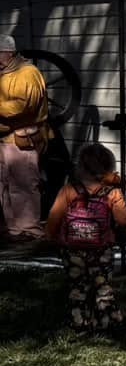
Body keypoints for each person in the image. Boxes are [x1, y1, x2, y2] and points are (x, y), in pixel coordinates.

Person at [47, 141, 126, 336]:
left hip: (72, 249)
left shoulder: (68, 190)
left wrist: (51, 238)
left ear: (80, 167)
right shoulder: (112, 192)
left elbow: (54, 217)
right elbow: (122, 219)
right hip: (102, 249)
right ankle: (107, 323)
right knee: (103, 285)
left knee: (78, 286)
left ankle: (80, 323)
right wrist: (124, 232)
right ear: (108, 168)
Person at [0, 35, 49, 242]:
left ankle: (29, 230)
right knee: (3, 184)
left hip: (22, 138)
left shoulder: (28, 73)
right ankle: (11, 229)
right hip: (3, 137)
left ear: (8, 53)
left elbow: (22, 106)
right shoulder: (3, 72)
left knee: (24, 185)